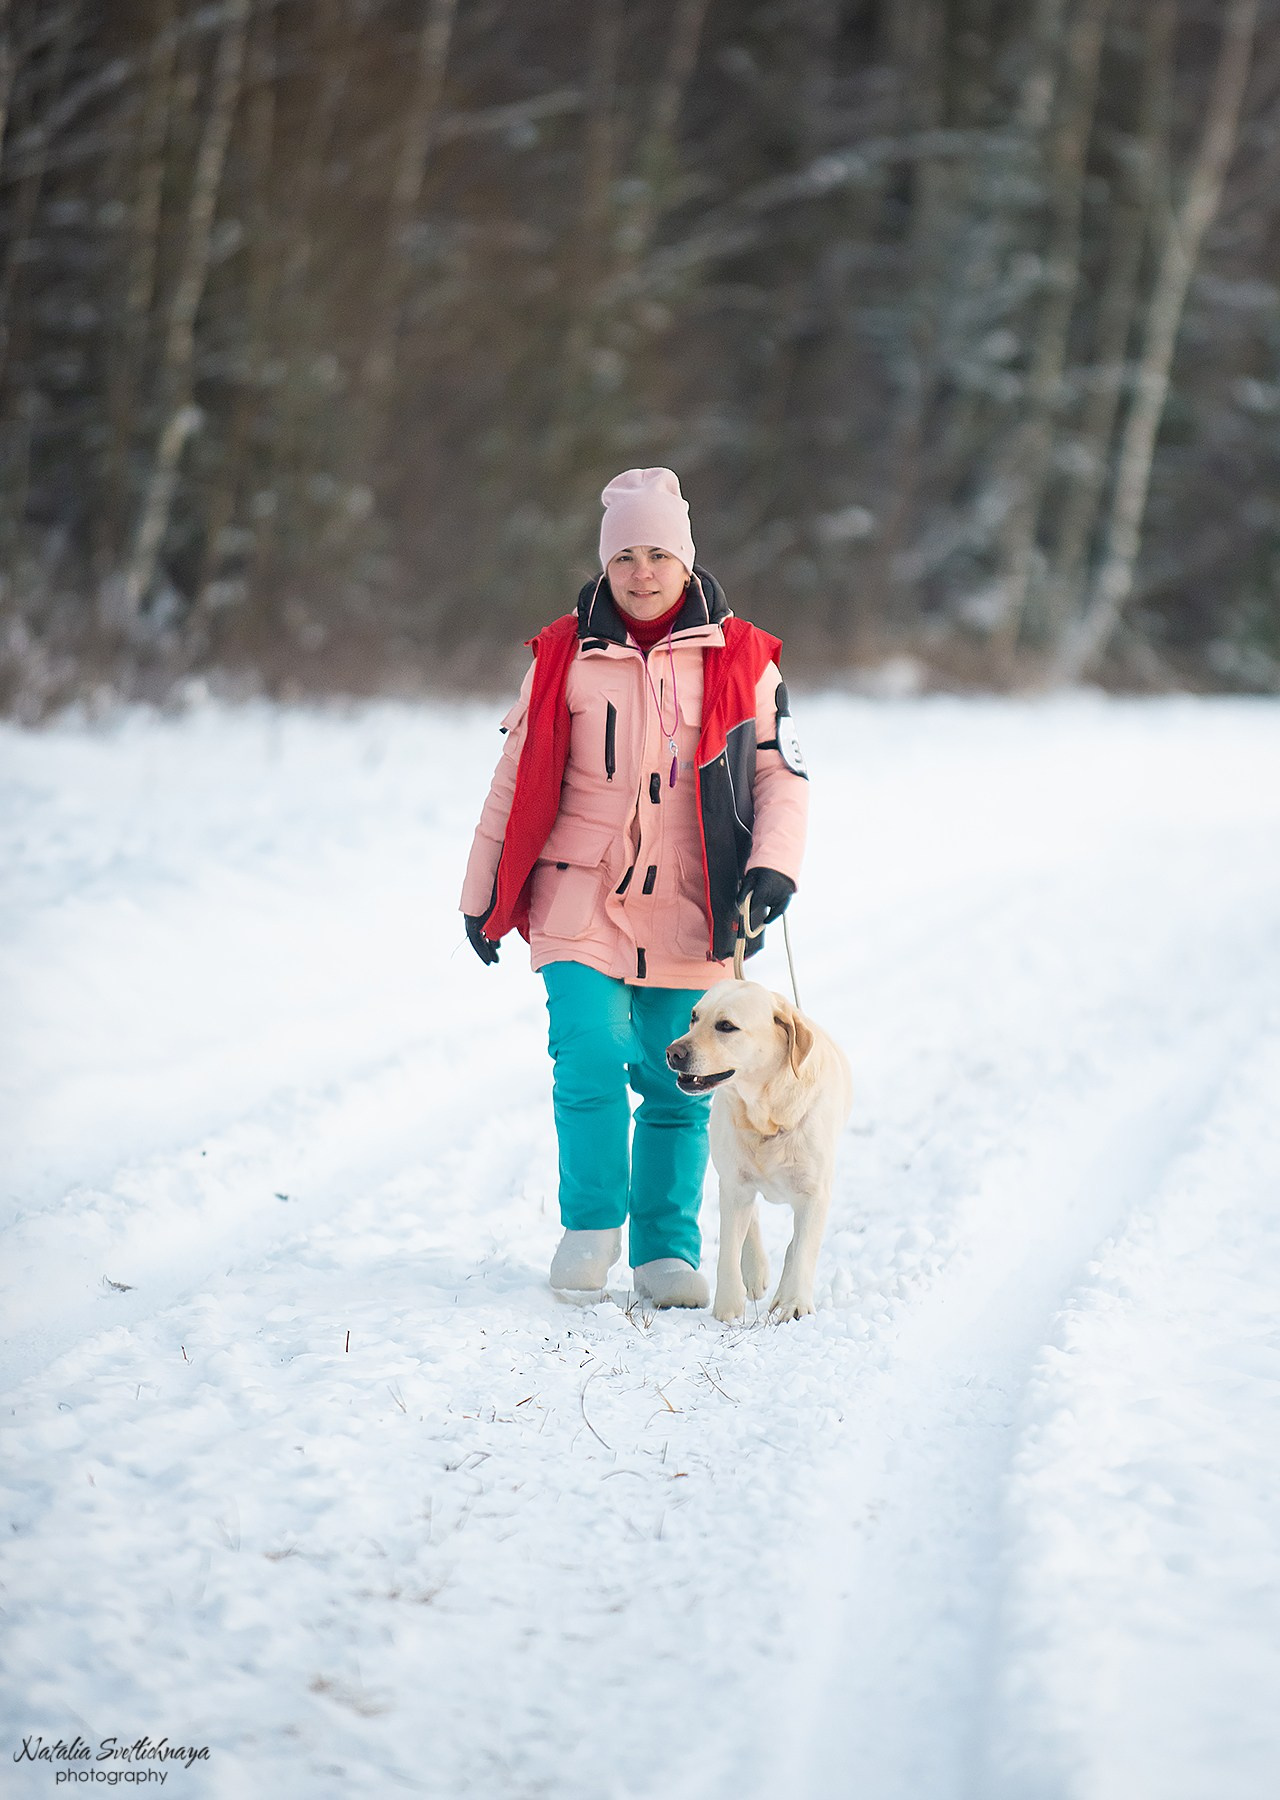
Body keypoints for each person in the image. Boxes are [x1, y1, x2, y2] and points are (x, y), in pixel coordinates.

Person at [459, 468, 809, 1307]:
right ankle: (590, 1228)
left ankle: (664, 1251)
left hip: (694, 907)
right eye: (626, 557)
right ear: (605, 565)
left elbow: (780, 778)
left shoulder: (744, 660)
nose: (642, 573)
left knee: (680, 1079)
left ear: (686, 563)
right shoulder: (560, 657)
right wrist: (482, 894)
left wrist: (774, 866)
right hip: (579, 895)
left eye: (659, 554)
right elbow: (512, 781)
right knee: (585, 1048)